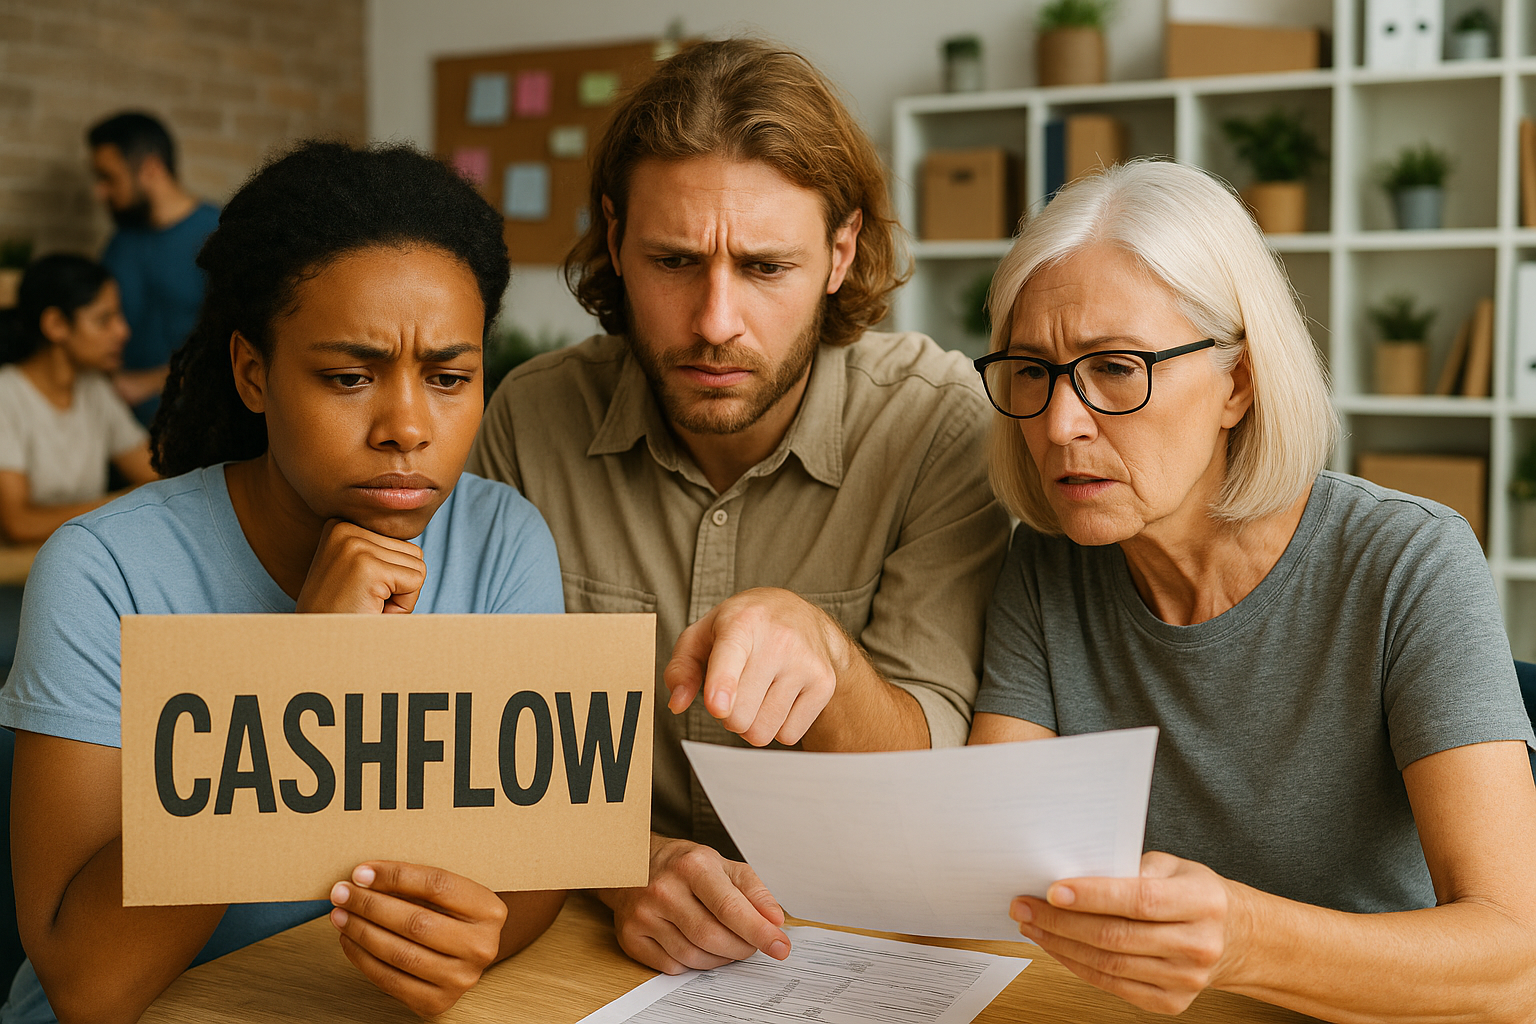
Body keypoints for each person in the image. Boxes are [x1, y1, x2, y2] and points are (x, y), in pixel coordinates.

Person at [469, 38, 1011, 977]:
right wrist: (619, 863)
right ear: (613, 240)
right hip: (590, 950)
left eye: (765, 268)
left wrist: (832, 663)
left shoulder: (936, 425)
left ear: (841, 253)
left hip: (864, 950)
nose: (716, 321)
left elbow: (935, 781)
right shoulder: (532, 417)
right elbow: (479, 738)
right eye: (675, 260)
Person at [0, 141, 567, 1024]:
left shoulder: (500, 540)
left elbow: (531, 872)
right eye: (349, 377)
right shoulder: (105, 570)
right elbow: (88, 984)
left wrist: (479, 936)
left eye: (450, 378)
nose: (408, 427)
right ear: (253, 373)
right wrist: (294, 670)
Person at [968, 160, 1536, 1020]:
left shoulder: (1410, 560)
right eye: (1032, 371)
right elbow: (989, 871)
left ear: (1236, 382)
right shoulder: (1046, 566)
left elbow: (1514, 961)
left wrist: (1244, 940)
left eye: (1116, 367)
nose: (1058, 423)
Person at [0, 254, 156, 678]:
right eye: (104, 319)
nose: (122, 330)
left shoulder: (94, 391)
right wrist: (123, 502)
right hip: (13, 581)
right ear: (56, 326)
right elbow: (17, 521)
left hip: (70, 575)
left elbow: (156, 474)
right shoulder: (7, 396)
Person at [87, 111, 220, 424]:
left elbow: (235, 343)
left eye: (108, 177)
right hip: (120, 426)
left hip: (198, 430)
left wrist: (144, 383)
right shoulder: (119, 242)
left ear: (151, 169)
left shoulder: (218, 234)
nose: (99, 192)